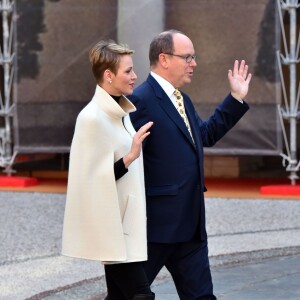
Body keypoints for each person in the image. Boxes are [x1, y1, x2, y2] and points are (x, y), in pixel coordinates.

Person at [128, 30, 252, 299]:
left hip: (190, 227)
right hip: (156, 229)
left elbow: (205, 135)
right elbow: (127, 160)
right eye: (188, 57)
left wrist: (235, 99)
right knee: (126, 296)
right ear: (164, 59)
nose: (194, 64)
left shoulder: (182, 99)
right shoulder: (141, 100)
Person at [62, 40, 155, 300]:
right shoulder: (92, 118)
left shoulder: (120, 113)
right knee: (141, 295)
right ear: (108, 75)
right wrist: (130, 156)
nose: (135, 76)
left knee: (118, 296)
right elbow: (89, 179)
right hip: (114, 227)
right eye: (128, 71)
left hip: (126, 223)